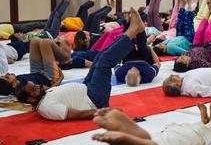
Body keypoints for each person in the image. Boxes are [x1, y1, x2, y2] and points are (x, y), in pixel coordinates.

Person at [14, 8, 145, 121]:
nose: (38, 86)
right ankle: (133, 30)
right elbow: (78, 114)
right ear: (31, 99)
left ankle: (136, 30)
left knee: (100, 56)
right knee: (104, 62)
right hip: (94, 99)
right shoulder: (47, 108)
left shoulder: (42, 96)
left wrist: (59, 79)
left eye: (35, 85)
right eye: (34, 88)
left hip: (87, 87)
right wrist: (107, 112)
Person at [0, 38, 68, 96]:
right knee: (46, 42)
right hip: (50, 78)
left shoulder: (14, 84)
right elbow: (49, 90)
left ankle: (57, 54)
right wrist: (61, 78)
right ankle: (67, 58)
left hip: (36, 73)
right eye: (7, 77)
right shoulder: (23, 88)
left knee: (34, 41)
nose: (7, 73)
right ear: (14, 85)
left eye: (4, 75)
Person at [174, 1, 211, 72]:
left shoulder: (185, 56)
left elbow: (178, 59)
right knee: (208, 32)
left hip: (196, 46)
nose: (182, 56)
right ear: (187, 64)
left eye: (180, 57)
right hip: (207, 50)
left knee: (199, 31)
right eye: (182, 59)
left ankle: (209, 10)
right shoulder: (196, 64)